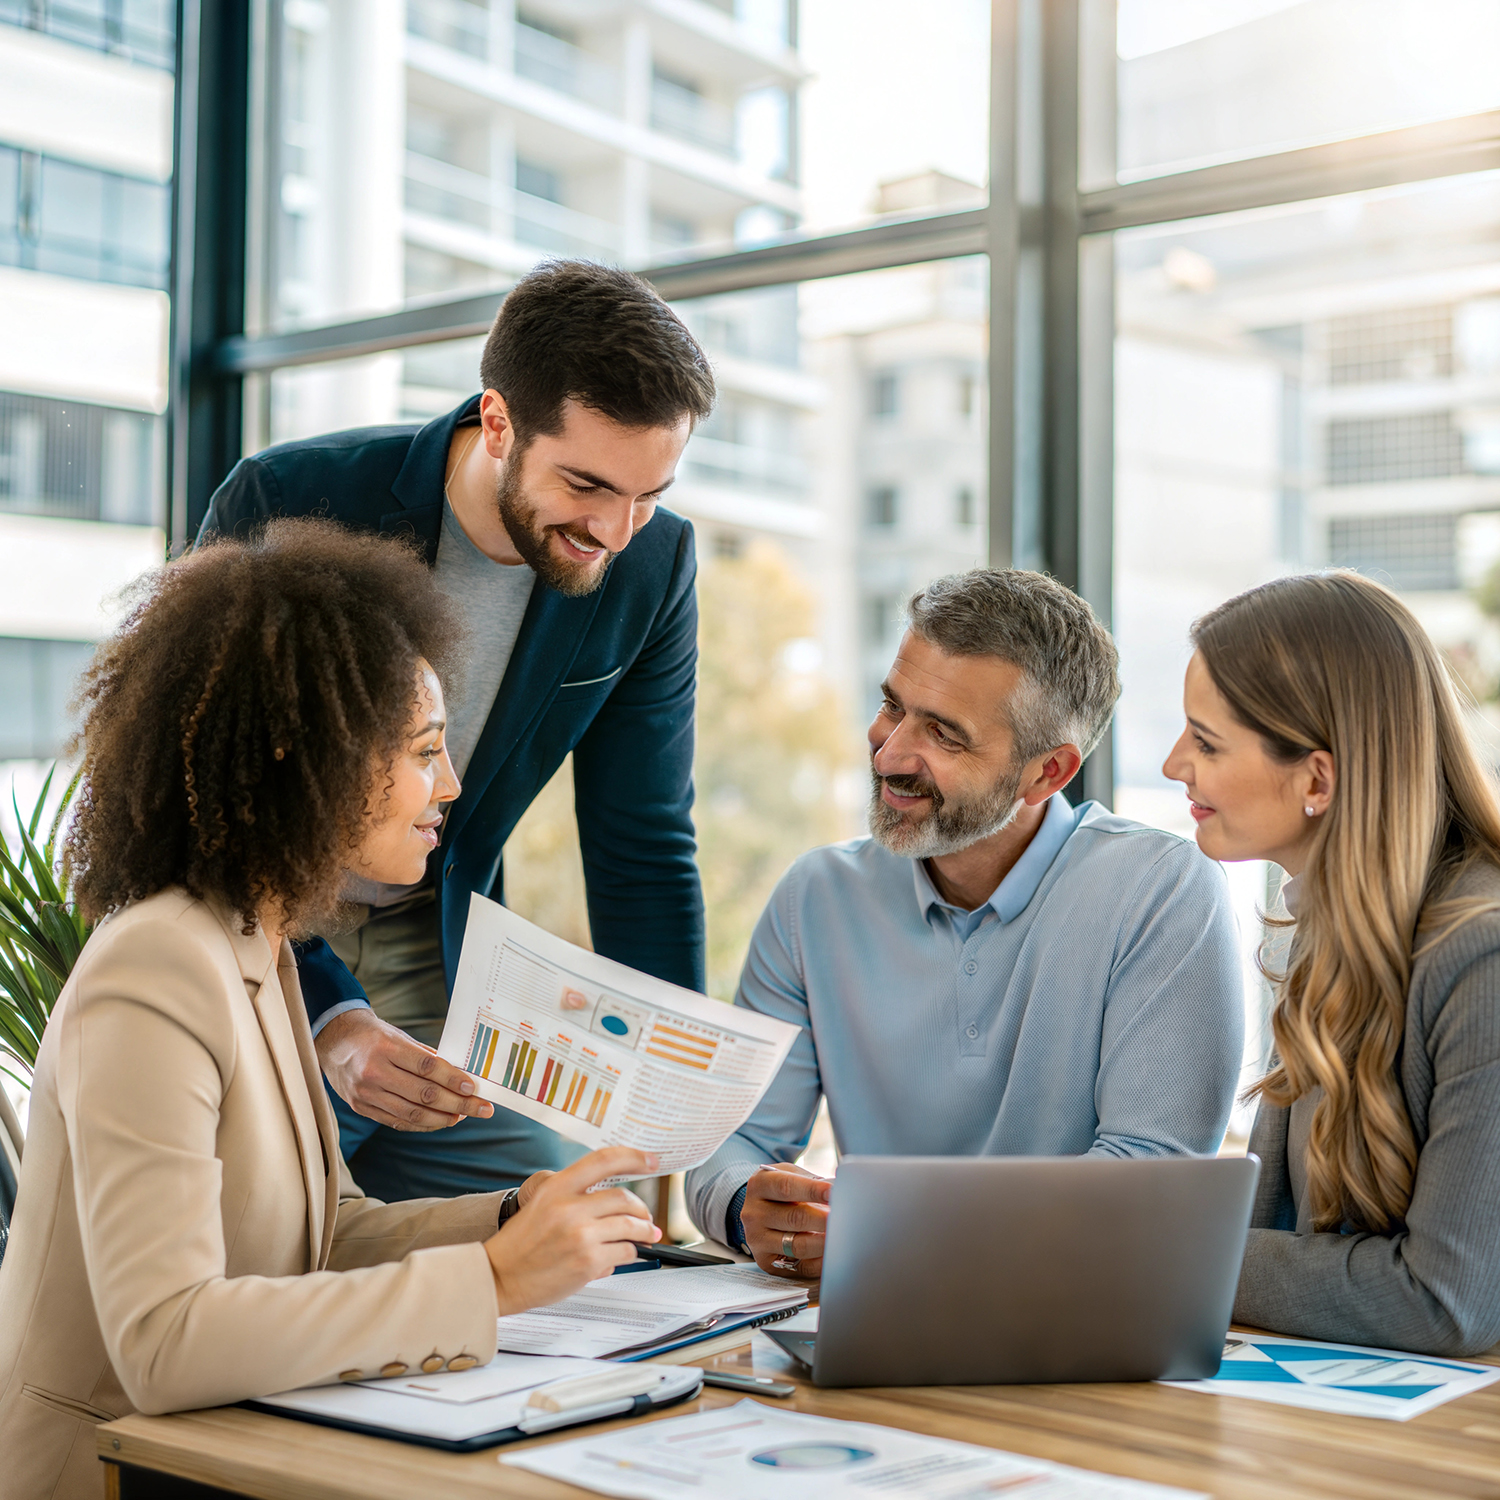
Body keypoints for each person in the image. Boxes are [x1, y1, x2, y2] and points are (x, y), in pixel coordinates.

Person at [0, 522, 662, 1500]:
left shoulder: (255, 939)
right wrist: (494, 1282)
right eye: (424, 752)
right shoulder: (158, 965)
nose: (451, 786)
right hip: (107, 1473)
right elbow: (165, 1341)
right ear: (298, 756)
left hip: (224, 1458)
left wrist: (511, 1220)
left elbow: (322, 1239)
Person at [199, 261, 714, 1203]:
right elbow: (204, 795)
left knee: (562, 1230)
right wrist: (328, 1016)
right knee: (270, 1239)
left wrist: (677, 1099)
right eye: (587, 484)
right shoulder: (288, 501)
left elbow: (642, 846)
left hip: (436, 944)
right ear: (499, 421)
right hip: (253, 932)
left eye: (648, 492)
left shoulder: (653, 564)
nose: (615, 529)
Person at [686, 569, 1245, 1277]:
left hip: (1065, 1314)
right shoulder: (815, 897)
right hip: (869, 1313)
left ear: (1047, 774)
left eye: (944, 735)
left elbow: (1148, 1179)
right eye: (894, 707)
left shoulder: (1161, 892)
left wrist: (894, 1235)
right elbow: (730, 1144)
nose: (888, 755)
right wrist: (748, 1206)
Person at [1163, 571, 1500, 1357]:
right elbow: (1278, 1227)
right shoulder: (1323, 922)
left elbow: (1447, 1300)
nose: (1176, 762)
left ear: (1317, 778)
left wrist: (1161, 1253)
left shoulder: (1481, 955)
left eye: (1206, 741)